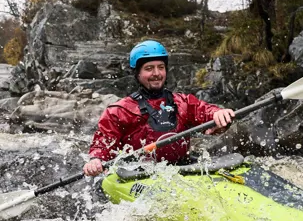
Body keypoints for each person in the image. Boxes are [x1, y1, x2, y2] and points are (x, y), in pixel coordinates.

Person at [83, 40, 235, 176]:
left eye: (160, 67)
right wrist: (96, 160)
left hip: (180, 169)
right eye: (149, 68)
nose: (156, 73)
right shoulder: (119, 111)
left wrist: (219, 114)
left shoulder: (183, 102)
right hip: (138, 174)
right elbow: (103, 143)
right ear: (137, 73)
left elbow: (206, 112)